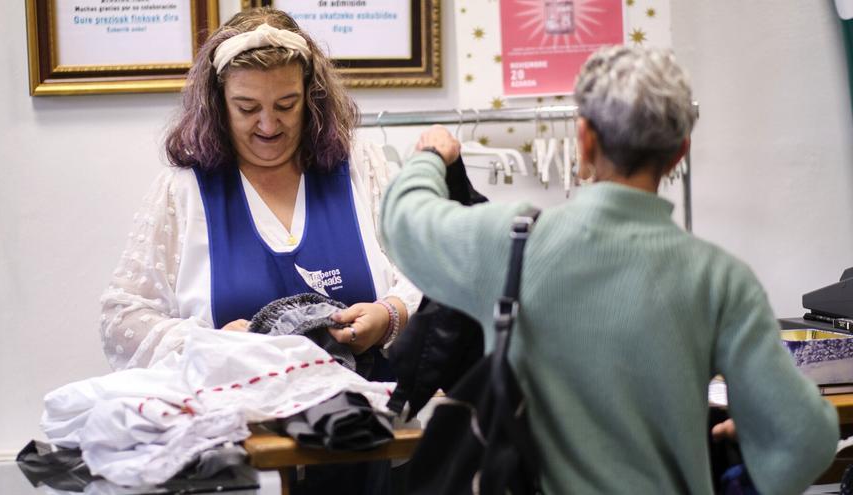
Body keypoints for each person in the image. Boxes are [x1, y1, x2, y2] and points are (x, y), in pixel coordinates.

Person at [380, 45, 839, 495]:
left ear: (584, 139)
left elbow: (400, 217)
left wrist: (430, 155)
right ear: (679, 152)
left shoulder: (508, 244)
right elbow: (807, 438)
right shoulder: (721, 280)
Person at [99, 7, 420, 493]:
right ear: (217, 103)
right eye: (248, 108)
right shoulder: (183, 193)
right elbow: (122, 316)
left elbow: (427, 278)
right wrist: (209, 344)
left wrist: (390, 314)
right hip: (237, 463)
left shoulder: (361, 170)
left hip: (362, 448)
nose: (269, 125)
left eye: (286, 105)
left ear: (312, 98)